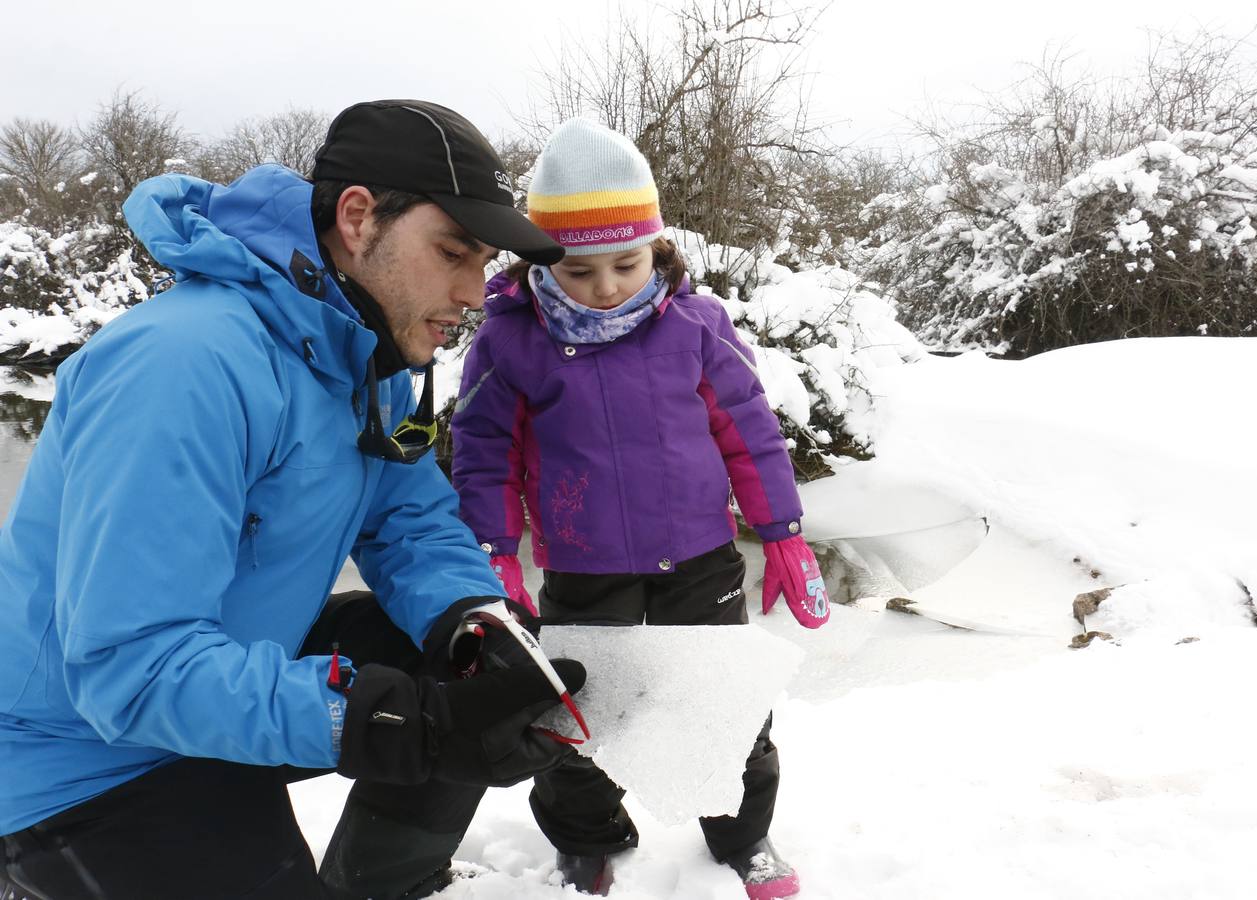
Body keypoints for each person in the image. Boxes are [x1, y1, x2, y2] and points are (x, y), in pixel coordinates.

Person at [0, 99, 587, 900]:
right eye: (453, 251)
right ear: (356, 218)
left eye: (483, 261)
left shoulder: (363, 352)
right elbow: (128, 669)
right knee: (410, 715)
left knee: (467, 681)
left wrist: (467, 619)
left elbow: (408, 516)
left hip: (216, 674)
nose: (473, 291)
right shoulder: (185, 366)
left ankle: (382, 883)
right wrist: (378, 720)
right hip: (83, 756)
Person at [450, 118, 830, 899]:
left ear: (657, 249)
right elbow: (482, 451)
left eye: (626, 263)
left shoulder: (695, 326)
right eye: (579, 271)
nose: (606, 287)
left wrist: (783, 532)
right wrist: (494, 550)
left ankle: (744, 837)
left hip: (699, 559)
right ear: (540, 262)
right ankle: (590, 841)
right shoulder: (510, 341)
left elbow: (749, 432)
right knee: (579, 716)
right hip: (584, 567)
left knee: (724, 706)